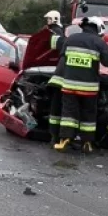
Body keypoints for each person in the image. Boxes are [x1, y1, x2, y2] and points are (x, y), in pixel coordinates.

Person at [53, 16, 108, 153]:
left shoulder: (71, 39)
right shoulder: (98, 42)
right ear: (98, 29)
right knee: (88, 114)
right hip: (89, 88)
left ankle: (64, 140)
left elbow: (63, 57)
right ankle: (87, 142)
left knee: (68, 112)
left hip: (69, 85)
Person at [45, 10, 66, 141]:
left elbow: (52, 47)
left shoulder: (56, 31)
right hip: (60, 73)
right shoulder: (58, 31)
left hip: (58, 74)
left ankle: (54, 136)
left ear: (54, 19)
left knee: (56, 107)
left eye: (48, 19)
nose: (47, 21)